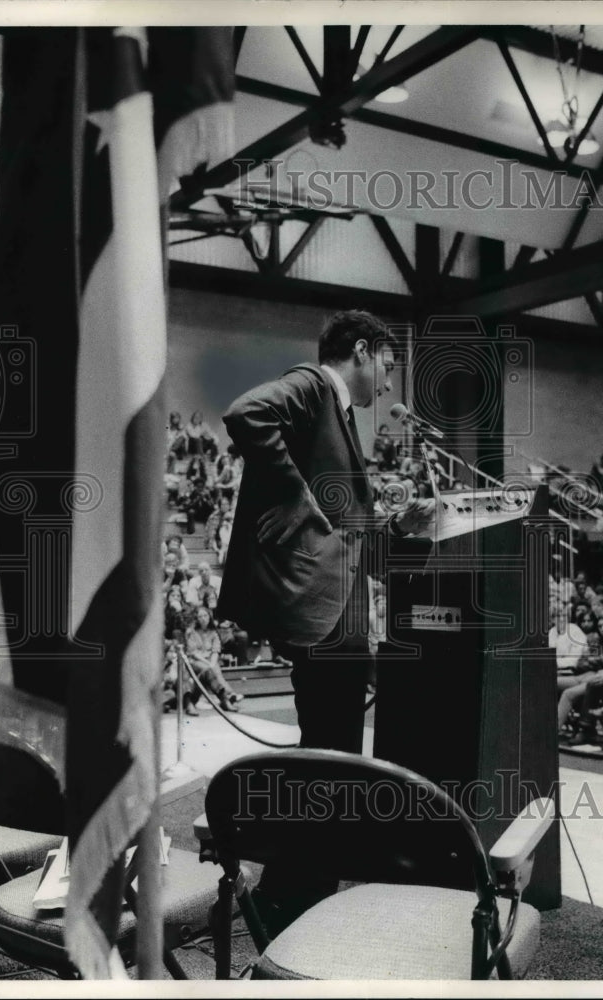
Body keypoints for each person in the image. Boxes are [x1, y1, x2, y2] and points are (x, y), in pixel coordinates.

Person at [219, 309, 434, 931]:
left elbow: (344, 534)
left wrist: (397, 528)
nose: (389, 385)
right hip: (322, 613)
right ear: (362, 351)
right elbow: (244, 413)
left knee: (329, 751)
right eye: (388, 366)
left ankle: (298, 883)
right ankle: (298, 891)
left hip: (335, 610)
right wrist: (294, 499)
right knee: (331, 755)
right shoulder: (314, 386)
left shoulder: (337, 417)